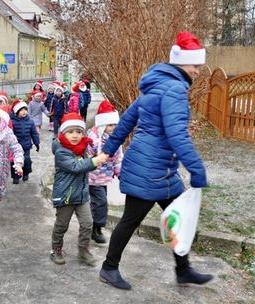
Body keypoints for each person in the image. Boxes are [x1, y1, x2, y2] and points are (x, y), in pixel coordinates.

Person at [98, 32, 213, 290]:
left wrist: (109, 147)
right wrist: (197, 170)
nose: (197, 71)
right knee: (130, 220)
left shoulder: (158, 84)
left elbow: (127, 119)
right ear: (182, 63)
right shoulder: (173, 88)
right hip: (148, 170)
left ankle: (183, 270)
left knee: (178, 216)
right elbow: (177, 134)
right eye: (195, 65)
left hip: (163, 170)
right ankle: (108, 268)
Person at [50, 113, 109, 266]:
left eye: (78, 132)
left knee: (88, 224)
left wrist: (97, 157)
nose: (75, 135)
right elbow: (76, 167)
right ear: (63, 133)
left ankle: (83, 250)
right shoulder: (61, 151)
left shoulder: (82, 148)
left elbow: (87, 161)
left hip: (82, 195)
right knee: (62, 225)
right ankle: (56, 248)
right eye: (70, 132)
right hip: (66, 196)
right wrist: (95, 160)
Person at [86, 100, 123, 244]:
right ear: (102, 124)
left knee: (98, 203)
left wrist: (120, 174)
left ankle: (92, 225)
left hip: (105, 177)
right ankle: (97, 229)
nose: (113, 128)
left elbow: (118, 158)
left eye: (115, 124)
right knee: (100, 202)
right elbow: (86, 158)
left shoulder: (115, 139)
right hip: (93, 177)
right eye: (110, 125)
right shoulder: (93, 139)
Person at [9, 99, 40, 184]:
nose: (24, 112)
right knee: (14, 162)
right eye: (22, 110)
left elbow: (34, 133)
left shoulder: (30, 121)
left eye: (25, 109)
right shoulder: (12, 122)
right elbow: (9, 135)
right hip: (15, 147)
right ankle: (16, 176)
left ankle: (25, 173)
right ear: (17, 111)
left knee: (26, 161)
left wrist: (37, 143)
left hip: (26, 146)